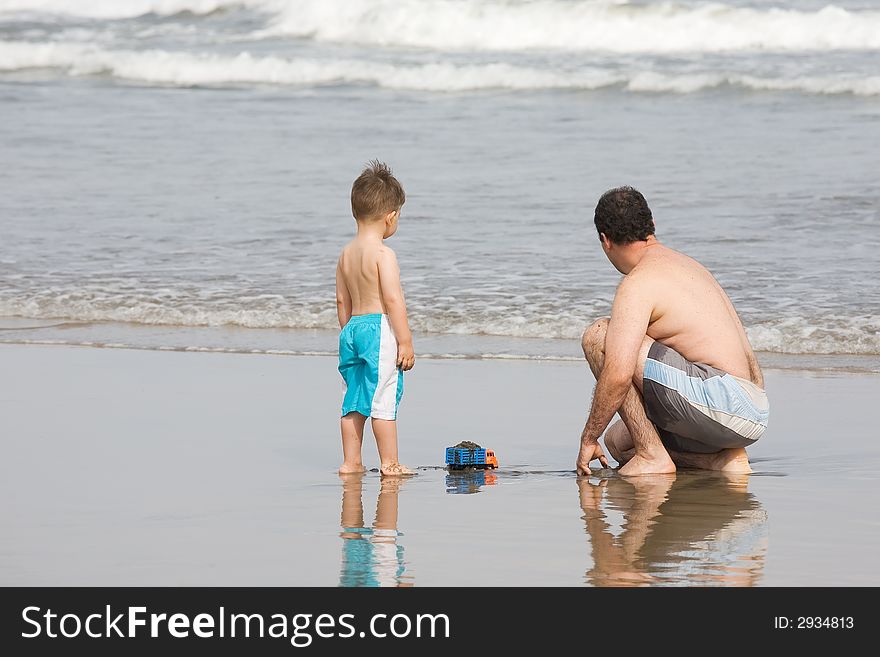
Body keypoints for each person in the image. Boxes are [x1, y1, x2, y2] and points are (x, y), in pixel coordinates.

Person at [576, 186, 769, 476]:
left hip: (723, 400)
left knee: (600, 335)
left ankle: (652, 456)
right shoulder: (690, 266)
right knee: (618, 442)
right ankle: (719, 462)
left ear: (605, 241)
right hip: (752, 409)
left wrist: (589, 437)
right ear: (652, 226)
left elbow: (618, 375)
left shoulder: (638, 282)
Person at [336, 161, 415, 476]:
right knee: (383, 396)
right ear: (390, 216)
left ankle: (351, 462)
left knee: (354, 398)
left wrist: (348, 331)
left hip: (352, 329)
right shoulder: (384, 255)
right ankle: (389, 463)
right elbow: (393, 299)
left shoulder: (345, 254)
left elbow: (343, 299)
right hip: (379, 329)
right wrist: (405, 340)